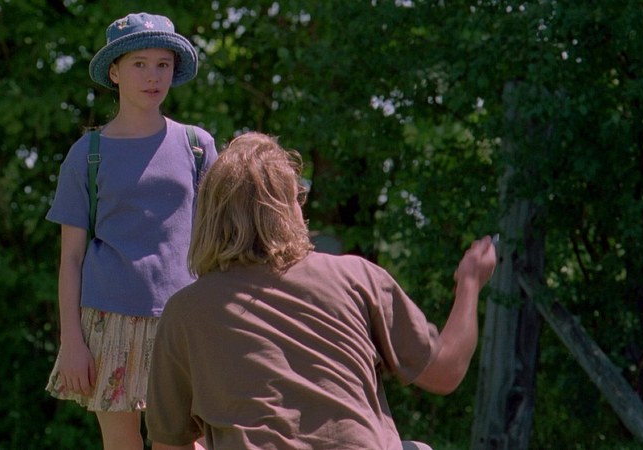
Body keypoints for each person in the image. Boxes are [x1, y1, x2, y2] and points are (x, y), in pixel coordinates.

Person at [145, 132, 496, 450]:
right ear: (288, 209)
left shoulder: (184, 312)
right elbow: (446, 371)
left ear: (209, 216)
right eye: (298, 197)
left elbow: (168, 445)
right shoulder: (356, 277)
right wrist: (469, 283)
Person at [44, 12, 218, 450]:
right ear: (115, 73)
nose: (152, 76)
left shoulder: (198, 147)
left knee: (182, 443)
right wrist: (71, 341)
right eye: (139, 64)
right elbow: (71, 259)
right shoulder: (87, 154)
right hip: (106, 321)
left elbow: (218, 244)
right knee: (121, 443)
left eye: (163, 64)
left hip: (183, 319)